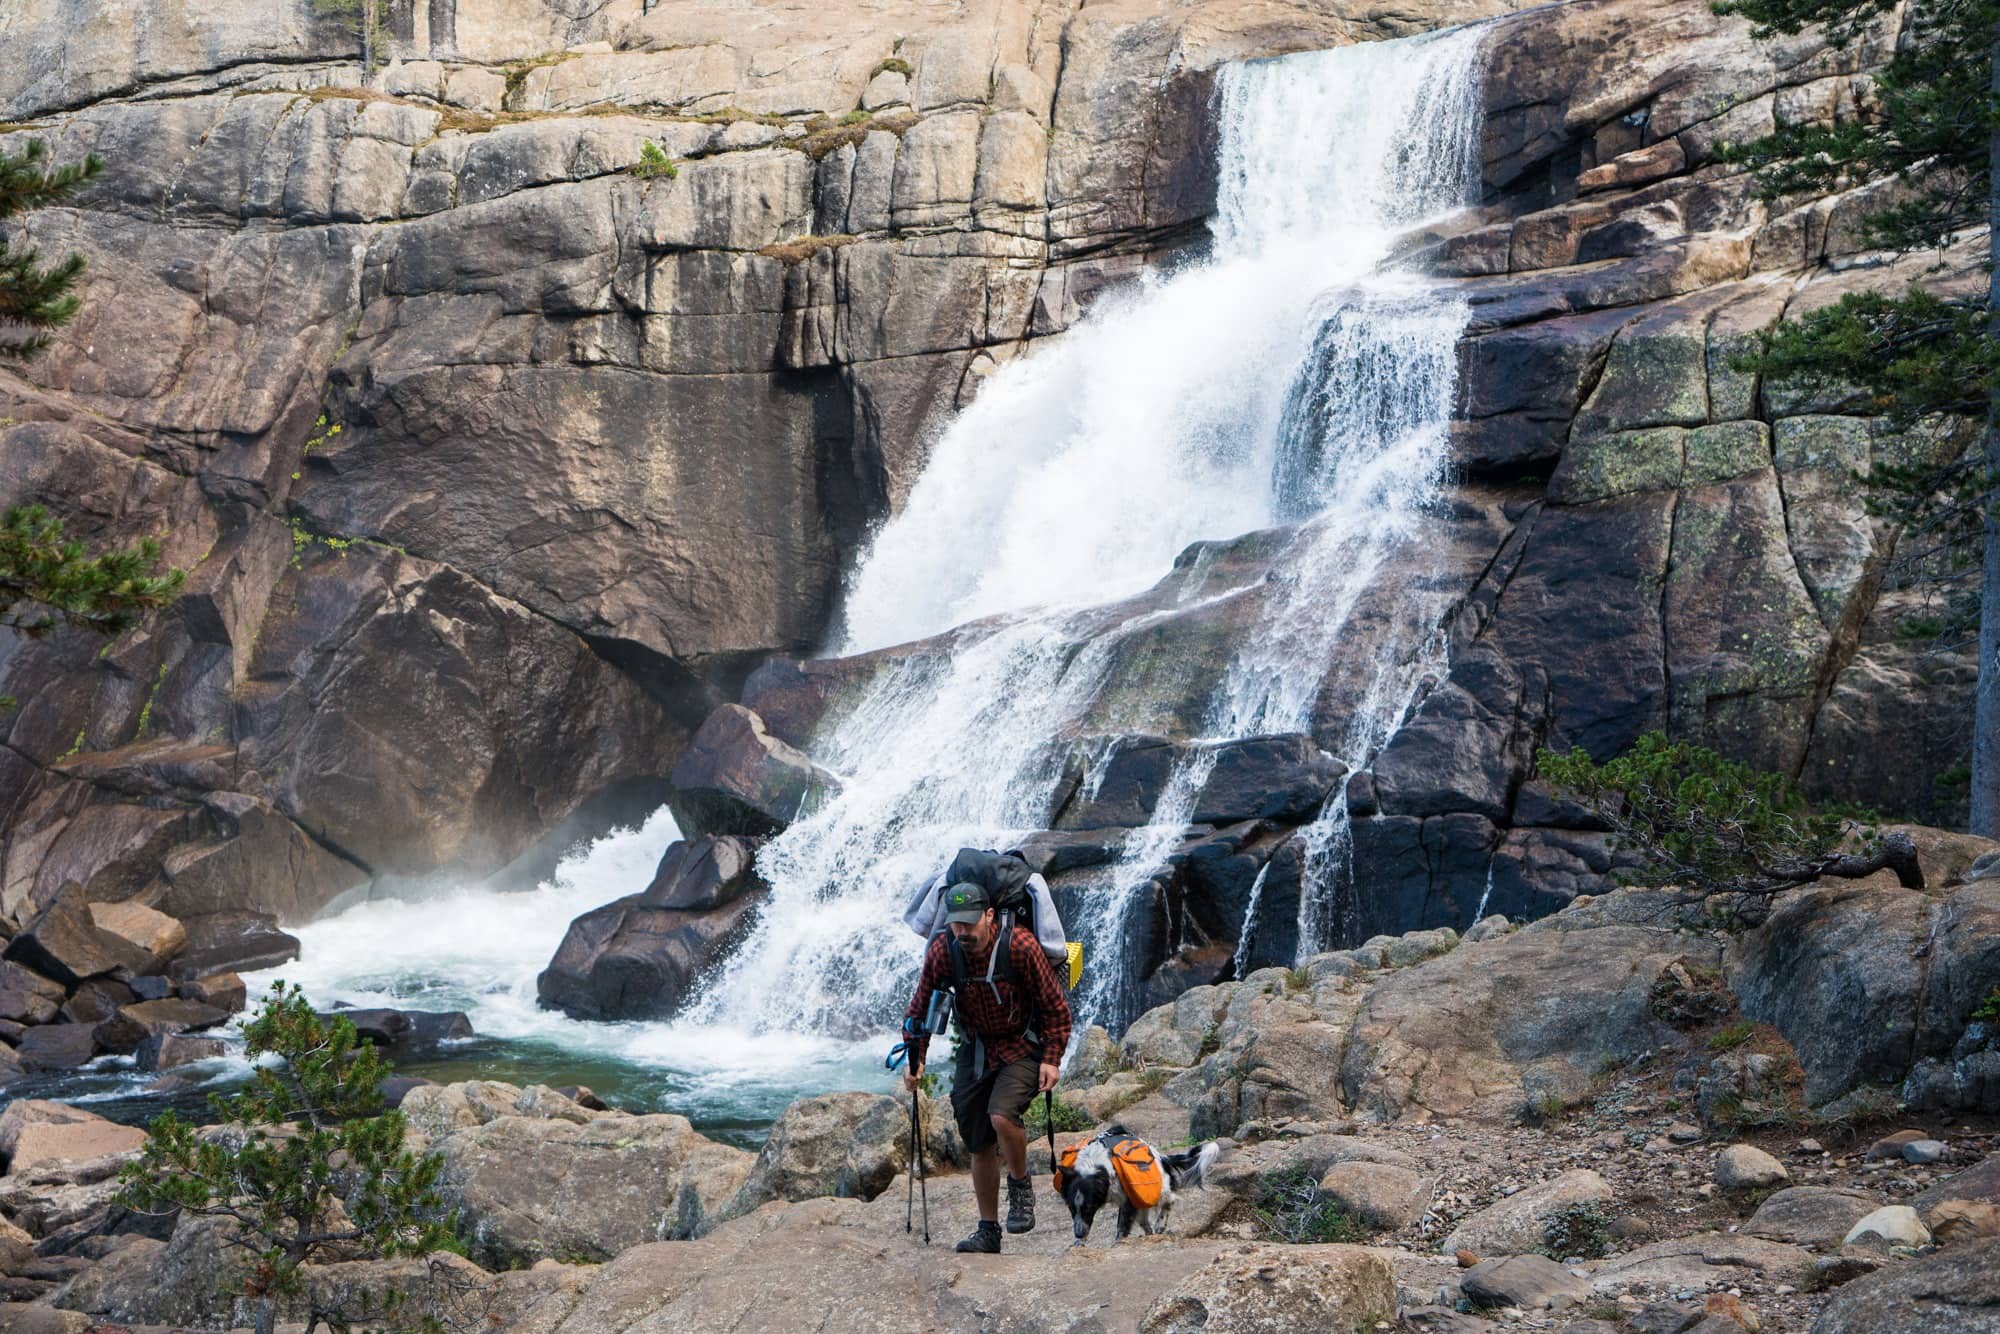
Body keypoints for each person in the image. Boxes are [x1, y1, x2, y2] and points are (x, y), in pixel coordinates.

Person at [900, 880, 1073, 1253]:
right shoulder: (944, 950)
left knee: (1002, 1115)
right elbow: (920, 1009)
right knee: (978, 1141)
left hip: (1023, 1045)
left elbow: (1056, 1007)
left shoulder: (1021, 946)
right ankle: (988, 1231)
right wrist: (916, 1058)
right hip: (976, 1048)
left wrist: (1051, 1058)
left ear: (990, 915)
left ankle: (1021, 1185)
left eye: (969, 923)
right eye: (956, 924)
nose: (962, 932)